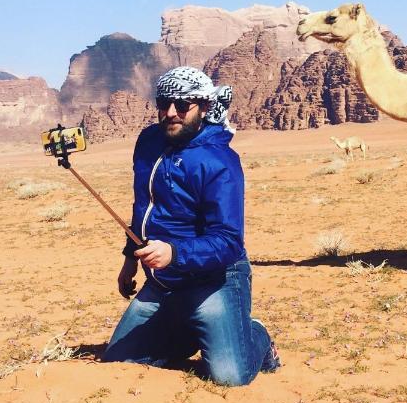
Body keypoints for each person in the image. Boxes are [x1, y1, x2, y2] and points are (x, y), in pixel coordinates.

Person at [102, 66, 279, 386]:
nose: (171, 113)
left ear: (204, 107)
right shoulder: (148, 143)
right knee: (120, 361)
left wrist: (175, 252)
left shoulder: (219, 161)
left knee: (230, 376)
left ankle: (256, 335)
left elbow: (228, 241)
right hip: (163, 281)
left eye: (183, 106)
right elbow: (142, 206)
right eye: (163, 103)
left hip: (214, 280)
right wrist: (130, 259)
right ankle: (195, 331)